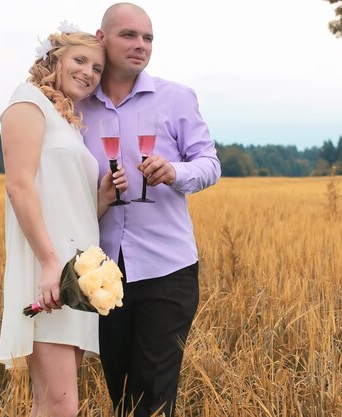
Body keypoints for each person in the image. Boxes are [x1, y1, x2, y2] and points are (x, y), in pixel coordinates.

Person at [78, 3, 221, 416]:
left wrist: (174, 171)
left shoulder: (176, 98)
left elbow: (210, 164)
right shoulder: (77, 104)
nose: (141, 45)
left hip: (168, 268)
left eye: (148, 38)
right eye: (129, 35)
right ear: (101, 38)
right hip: (100, 270)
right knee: (119, 391)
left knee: (154, 393)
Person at [0, 24, 127, 417]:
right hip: (51, 272)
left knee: (53, 403)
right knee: (61, 404)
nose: (89, 72)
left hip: (76, 276)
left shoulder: (67, 121)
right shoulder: (27, 103)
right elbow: (19, 186)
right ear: (54, 59)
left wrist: (101, 199)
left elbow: (68, 205)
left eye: (98, 68)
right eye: (80, 60)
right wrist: (51, 263)